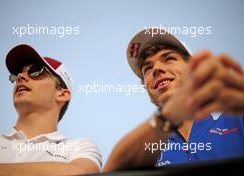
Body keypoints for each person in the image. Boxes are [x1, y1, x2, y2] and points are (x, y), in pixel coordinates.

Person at [104, 28, 244, 171]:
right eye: (147, 69)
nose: (156, 69)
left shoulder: (236, 115)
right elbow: (111, 170)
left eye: (169, 59)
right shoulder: (145, 147)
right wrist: (168, 118)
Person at [0, 44, 102, 175]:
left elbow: (79, 172)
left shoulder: (79, 147)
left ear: (62, 94)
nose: (21, 76)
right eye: (16, 75)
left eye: (36, 71)